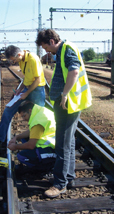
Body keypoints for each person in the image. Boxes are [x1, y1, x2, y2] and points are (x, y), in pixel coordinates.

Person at [35, 29, 92, 198]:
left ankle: (59, 184)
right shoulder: (63, 50)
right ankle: (68, 177)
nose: (46, 51)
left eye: (45, 47)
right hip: (67, 103)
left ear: (52, 41)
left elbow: (74, 71)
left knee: (62, 144)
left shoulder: (66, 49)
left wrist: (64, 94)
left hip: (67, 104)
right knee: (69, 141)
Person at [0, 45, 46, 144]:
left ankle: (41, 141)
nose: (14, 62)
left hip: (37, 89)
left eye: (14, 60)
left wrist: (26, 94)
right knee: (8, 110)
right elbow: (26, 77)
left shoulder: (33, 59)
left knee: (39, 116)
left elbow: (38, 80)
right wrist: (20, 89)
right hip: (27, 88)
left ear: (19, 54)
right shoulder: (22, 60)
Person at [7, 101, 56, 172]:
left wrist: (15, 146)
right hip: (53, 146)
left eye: (24, 116)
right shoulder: (40, 111)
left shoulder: (38, 121)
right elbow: (31, 131)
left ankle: (43, 168)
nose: (23, 119)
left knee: (21, 156)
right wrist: (16, 137)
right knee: (24, 138)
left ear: (30, 111)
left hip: (50, 152)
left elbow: (31, 145)